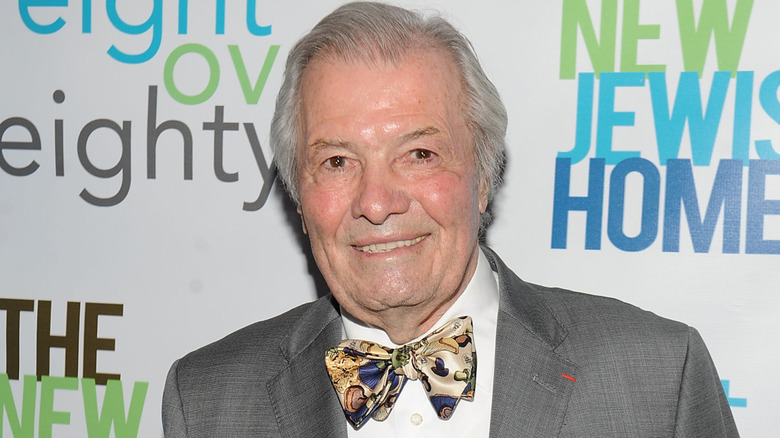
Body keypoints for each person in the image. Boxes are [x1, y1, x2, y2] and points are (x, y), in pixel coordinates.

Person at [162, 2, 739, 437]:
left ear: (483, 176)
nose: (376, 201)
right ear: (300, 200)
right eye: (337, 162)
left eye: (419, 155)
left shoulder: (657, 380)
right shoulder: (210, 401)